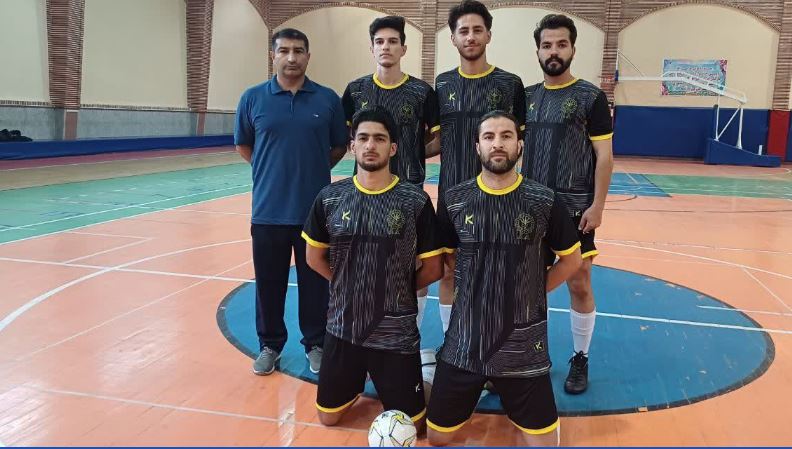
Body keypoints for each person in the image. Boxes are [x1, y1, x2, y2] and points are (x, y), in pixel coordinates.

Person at [426, 111, 582, 447]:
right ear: (477, 147)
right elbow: (448, 259)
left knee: (545, 445)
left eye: (506, 136)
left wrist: (534, 291)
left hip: (523, 346)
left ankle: (503, 388)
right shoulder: (455, 199)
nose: (497, 143)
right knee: (437, 437)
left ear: (519, 145)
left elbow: (572, 260)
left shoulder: (543, 200)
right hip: (465, 343)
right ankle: (449, 379)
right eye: (489, 137)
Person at [302, 108, 444, 429]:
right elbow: (313, 257)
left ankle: (428, 370)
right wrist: (344, 284)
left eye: (379, 139)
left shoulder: (415, 201)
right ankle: (356, 380)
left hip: (395, 332)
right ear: (352, 146)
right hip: (343, 328)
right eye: (363, 138)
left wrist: (397, 290)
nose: (370, 145)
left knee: (416, 426)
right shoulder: (330, 198)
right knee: (328, 418)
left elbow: (434, 267)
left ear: (392, 148)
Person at [234, 28, 348, 376]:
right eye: (284, 51)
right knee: (268, 285)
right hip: (267, 212)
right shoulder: (252, 98)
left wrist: (313, 169)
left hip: (315, 214)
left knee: (316, 285)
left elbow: (339, 146)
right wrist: (270, 169)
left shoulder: (327, 99)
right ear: (273, 55)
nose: (292, 57)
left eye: (299, 51)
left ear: (308, 56)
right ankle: (270, 346)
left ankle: (316, 344)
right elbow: (244, 145)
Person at [522, 14, 614, 394]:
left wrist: (598, 206)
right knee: (525, 284)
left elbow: (604, 156)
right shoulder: (526, 98)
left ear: (573, 49)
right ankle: (523, 354)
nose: (554, 52)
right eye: (547, 45)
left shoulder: (591, 98)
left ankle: (580, 357)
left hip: (575, 209)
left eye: (561, 44)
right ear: (538, 51)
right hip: (530, 209)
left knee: (579, 282)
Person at [342, 15, 441, 328]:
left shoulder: (422, 92)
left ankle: (410, 332)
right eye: (380, 42)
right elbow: (348, 139)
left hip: (409, 192)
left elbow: (438, 139)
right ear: (372, 48)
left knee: (414, 263)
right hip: (365, 193)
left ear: (403, 48)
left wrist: (411, 153)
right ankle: (365, 329)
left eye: (393, 41)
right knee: (365, 262)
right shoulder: (355, 91)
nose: (386, 47)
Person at [435, 0, 526, 336]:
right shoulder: (442, 84)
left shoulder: (510, 84)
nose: (470, 37)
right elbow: (437, 141)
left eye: (477, 30)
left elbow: (520, 145)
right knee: (448, 270)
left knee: (495, 272)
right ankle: (451, 343)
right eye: (463, 31)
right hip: (450, 196)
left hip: (498, 198)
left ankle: (493, 342)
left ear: (488, 34)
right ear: (453, 38)